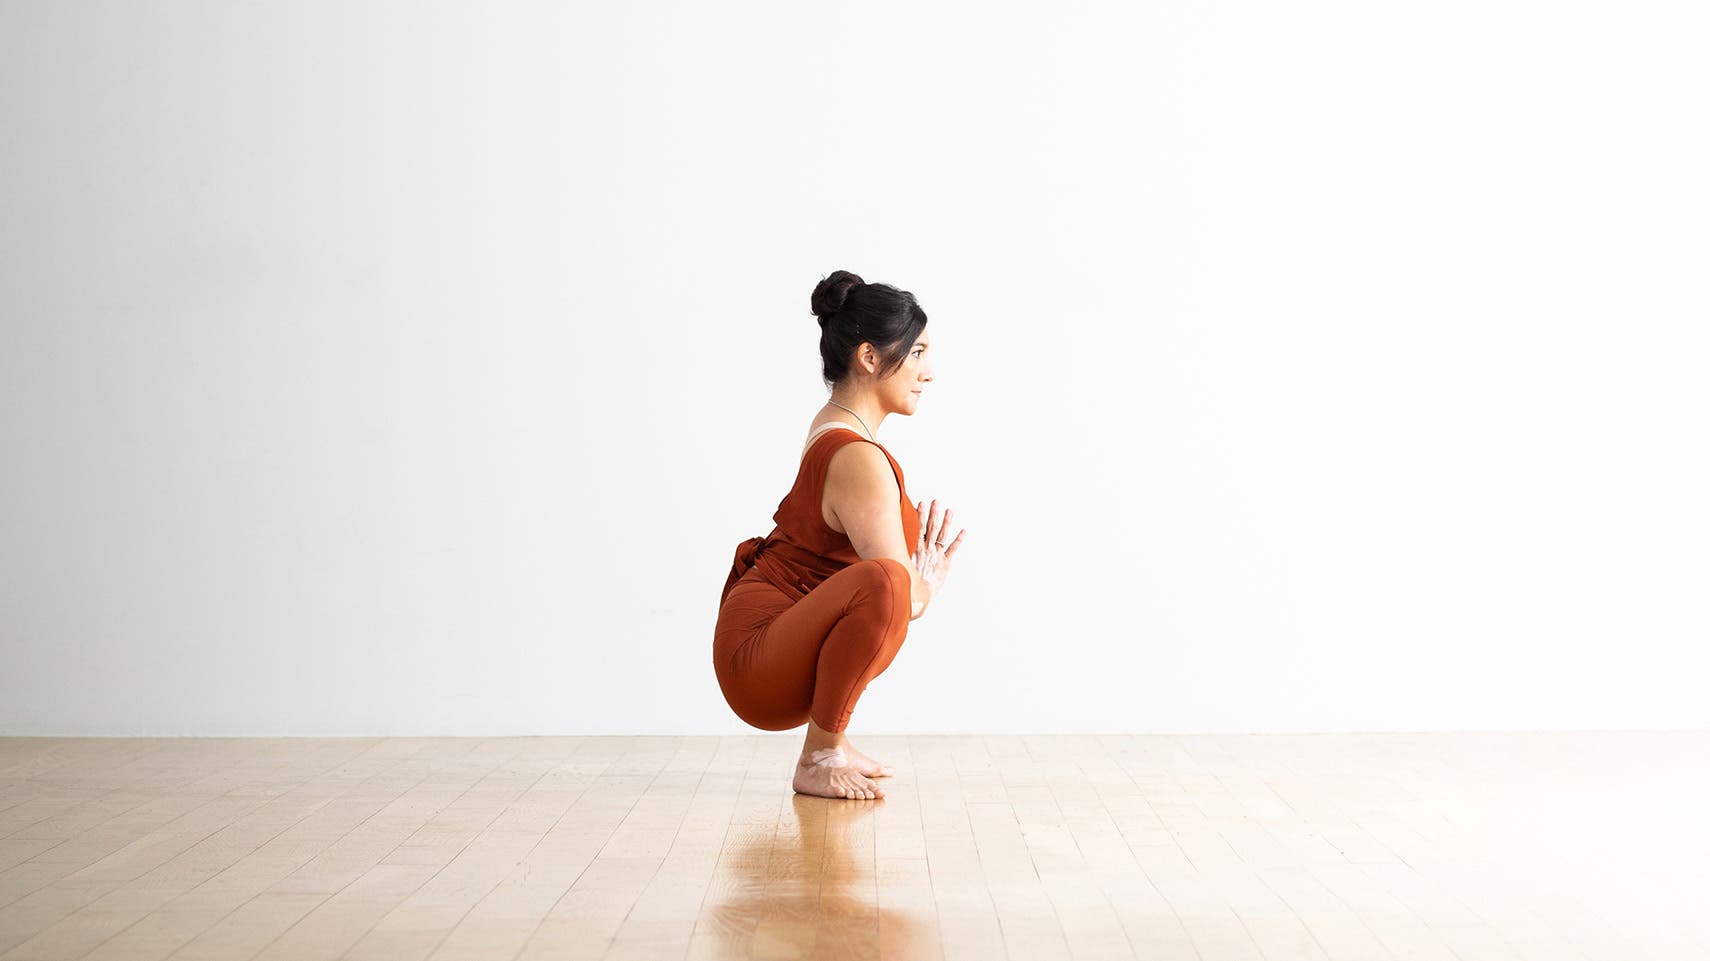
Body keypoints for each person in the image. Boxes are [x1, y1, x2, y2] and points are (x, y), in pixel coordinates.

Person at [713, 270, 968, 801]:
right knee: (887, 587)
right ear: (870, 358)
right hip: (758, 655)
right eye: (917, 352)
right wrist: (924, 583)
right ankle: (819, 757)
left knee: (886, 587)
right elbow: (897, 591)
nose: (929, 373)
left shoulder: (839, 425)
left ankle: (834, 743)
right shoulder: (857, 455)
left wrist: (910, 586)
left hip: (771, 640)